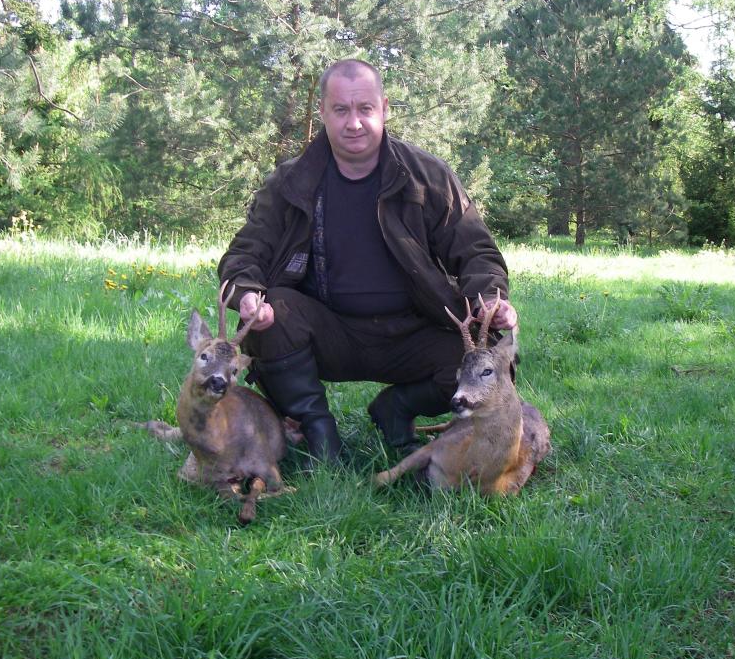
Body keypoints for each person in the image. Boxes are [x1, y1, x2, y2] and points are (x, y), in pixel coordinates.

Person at [217, 58, 517, 466]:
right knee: (272, 317)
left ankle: (397, 408)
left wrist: (490, 298)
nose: (354, 123)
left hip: (414, 330)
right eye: (341, 110)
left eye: (365, 109)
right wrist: (248, 294)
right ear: (322, 111)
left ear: (384, 108)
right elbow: (244, 253)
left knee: (490, 359)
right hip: (329, 333)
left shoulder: (427, 175)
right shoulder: (291, 182)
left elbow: (476, 251)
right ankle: (320, 436)